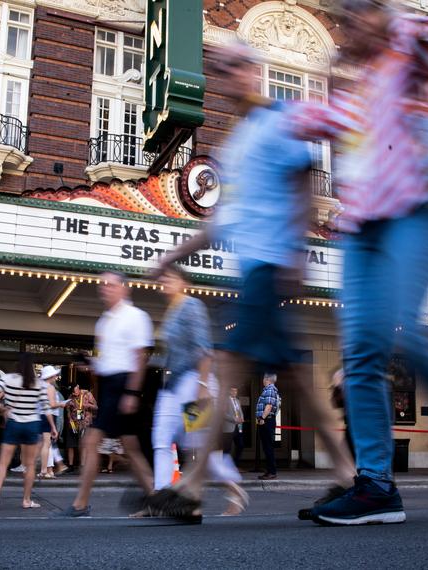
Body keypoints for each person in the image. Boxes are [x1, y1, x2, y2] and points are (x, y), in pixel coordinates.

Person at [147, 41, 355, 521]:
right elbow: (222, 222)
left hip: (269, 265)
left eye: (237, 66)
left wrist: (296, 258)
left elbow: (305, 177)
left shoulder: (278, 118)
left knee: (232, 367)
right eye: (223, 69)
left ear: (254, 70)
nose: (231, 75)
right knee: (296, 378)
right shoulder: (232, 146)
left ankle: (194, 489)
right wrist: (175, 254)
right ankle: (347, 474)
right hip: (253, 272)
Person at [293, 0, 428, 525]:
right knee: (361, 359)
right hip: (359, 231)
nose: (347, 28)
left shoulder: (410, 43)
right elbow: (319, 120)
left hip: (413, 214)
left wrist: (396, 24)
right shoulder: (359, 85)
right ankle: (376, 487)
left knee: (408, 329)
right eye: (343, 20)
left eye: (355, 15)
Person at [144, 264, 245, 518]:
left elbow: (203, 348)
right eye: (163, 278)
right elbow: (170, 355)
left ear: (183, 282)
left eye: (171, 277)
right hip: (172, 385)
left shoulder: (191, 306)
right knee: (161, 440)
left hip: (193, 383)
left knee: (197, 447)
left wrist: (202, 386)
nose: (165, 281)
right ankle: (162, 499)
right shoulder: (171, 311)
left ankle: (234, 489)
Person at [57, 271, 155, 517]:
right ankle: (156, 498)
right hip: (111, 385)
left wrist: (132, 392)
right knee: (131, 448)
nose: (105, 289)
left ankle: (80, 504)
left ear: (124, 288)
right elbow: (106, 363)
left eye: (110, 285)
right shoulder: (103, 321)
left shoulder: (136, 317)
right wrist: (90, 363)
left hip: (124, 385)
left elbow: (140, 358)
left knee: (91, 442)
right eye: (103, 285)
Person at [0, 353, 57, 510]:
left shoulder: (8, 379)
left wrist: (3, 407)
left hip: (13, 423)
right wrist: (53, 427)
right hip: (32, 425)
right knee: (29, 465)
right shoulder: (38, 383)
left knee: (3, 463)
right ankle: (26, 500)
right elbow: (46, 407)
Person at [38, 365, 68, 478]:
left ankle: (48, 470)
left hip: (41, 416)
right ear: (50, 376)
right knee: (47, 444)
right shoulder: (49, 388)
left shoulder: (41, 386)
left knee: (46, 444)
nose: (56, 376)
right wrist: (62, 403)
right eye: (54, 375)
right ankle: (44, 470)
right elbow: (51, 405)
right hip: (47, 416)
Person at [64, 384, 97, 471]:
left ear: (78, 387)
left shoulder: (87, 394)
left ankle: (82, 465)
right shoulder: (71, 396)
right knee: (71, 443)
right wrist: (70, 419)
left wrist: (87, 405)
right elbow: (67, 410)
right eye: (73, 393)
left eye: (75, 391)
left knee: (83, 444)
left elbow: (96, 407)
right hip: (73, 422)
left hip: (85, 422)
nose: (75, 394)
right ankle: (71, 465)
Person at [256, 374, 281, 481]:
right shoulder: (270, 389)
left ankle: (272, 472)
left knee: (268, 447)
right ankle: (269, 470)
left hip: (267, 420)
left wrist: (262, 418)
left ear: (267, 379)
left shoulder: (270, 389)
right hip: (267, 420)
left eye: (263, 378)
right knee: (267, 447)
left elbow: (269, 405)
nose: (262, 380)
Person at [223, 386, 244, 465]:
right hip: (228, 427)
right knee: (227, 448)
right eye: (232, 391)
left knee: (240, 446)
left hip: (239, 427)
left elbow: (240, 412)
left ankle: (235, 464)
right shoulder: (224, 401)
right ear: (229, 391)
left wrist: (242, 418)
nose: (234, 392)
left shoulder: (238, 401)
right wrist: (234, 419)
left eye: (236, 391)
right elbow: (223, 414)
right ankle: (225, 467)